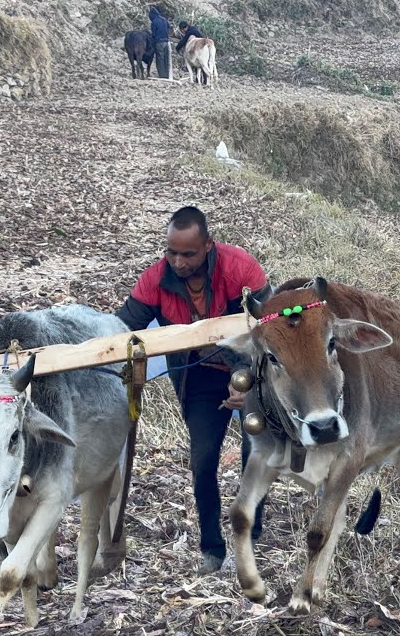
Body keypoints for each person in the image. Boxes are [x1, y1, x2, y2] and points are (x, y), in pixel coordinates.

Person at [115, 206, 271, 575]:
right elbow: (120, 329)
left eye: (188, 254)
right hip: (197, 378)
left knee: (254, 457)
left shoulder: (241, 269)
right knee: (202, 462)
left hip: (250, 372)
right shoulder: (155, 280)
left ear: (208, 246)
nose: (179, 262)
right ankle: (211, 550)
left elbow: (274, 331)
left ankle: (249, 538)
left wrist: (251, 383)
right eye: (171, 252)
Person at [148, 6, 171, 79]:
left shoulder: (154, 22)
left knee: (160, 59)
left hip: (159, 42)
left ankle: (162, 75)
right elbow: (169, 27)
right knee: (166, 59)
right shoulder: (164, 19)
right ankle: (167, 74)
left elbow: (153, 34)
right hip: (166, 42)